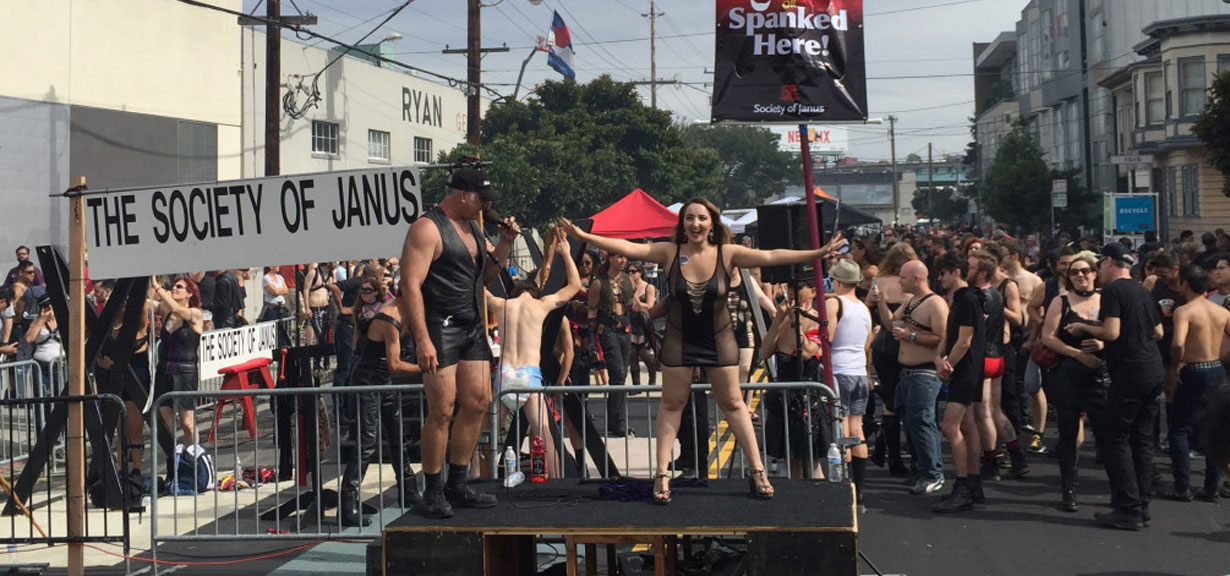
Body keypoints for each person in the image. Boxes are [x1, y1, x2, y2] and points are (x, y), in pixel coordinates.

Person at [560, 197, 845, 504]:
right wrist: (584, 237)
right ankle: (661, 475)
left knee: (734, 403)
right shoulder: (669, 252)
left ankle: (758, 471)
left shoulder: (728, 253)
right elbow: (629, 247)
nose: (695, 224)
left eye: (702, 218)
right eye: (689, 218)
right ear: (682, 223)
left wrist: (817, 253)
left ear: (713, 224)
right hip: (679, 341)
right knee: (671, 404)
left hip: (718, 340)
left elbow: (771, 255)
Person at [400, 166, 518, 519]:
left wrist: (506, 243)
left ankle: (458, 482)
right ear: (463, 195)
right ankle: (433, 489)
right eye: (481, 198)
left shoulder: (473, 227)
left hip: (471, 325)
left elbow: (487, 275)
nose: (485, 204)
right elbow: (410, 285)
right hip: (440, 326)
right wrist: (422, 339)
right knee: (442, 410)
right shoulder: (427, 227)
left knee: (479, 401)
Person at [1065, 244, 1164, 531]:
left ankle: (1128, 508)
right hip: (1152, 368)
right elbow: (1157, 331)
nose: (1097, 271)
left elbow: (1111, 332)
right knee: (1141, 439)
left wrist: (1084, 327)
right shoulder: (1141, 290)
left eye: (1098, 265)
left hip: (1131, 372)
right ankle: (1141, 505)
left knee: (1115, 438)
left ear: (1109, 262)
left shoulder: (1113, 291)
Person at [487, 232, 582, 482]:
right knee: (544, 433)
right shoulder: (541, 305)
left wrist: (488, 255)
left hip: (505, 374)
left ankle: (478, 479)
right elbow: (574, 286)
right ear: (534, 292)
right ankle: (557, 482)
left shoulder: (502, 304)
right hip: (529, 374)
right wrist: (566, 253)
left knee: (487, 436)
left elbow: (478, 287)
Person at [338, 291, 422, 527]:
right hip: (368, 381)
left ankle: (409, 490)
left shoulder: (404, 313)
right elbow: (395, 364)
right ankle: (348, 502)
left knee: (397, 435)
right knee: (368, 441)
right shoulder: (389, 318)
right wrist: (423, 368)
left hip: (383, 382)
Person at [868, 259, 947, 496]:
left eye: (903, 276)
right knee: (913, 425)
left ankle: (934, 474)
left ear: (917, 278)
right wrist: (881, 303)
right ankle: (923, 470)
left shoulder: (936, 304)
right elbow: (892, 324)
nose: (899, 280)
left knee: (923, 423)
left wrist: (911, 336)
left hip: (925, 372)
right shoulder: (912, 301)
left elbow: (941, 338)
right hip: (908, 373)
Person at [1039, 250, 1107, 512]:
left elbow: (1117, 332)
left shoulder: (1106, 299)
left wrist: (1101, 342)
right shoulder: (1061, 301)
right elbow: (1048, 337)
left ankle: (1118, 488)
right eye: (1074, 272)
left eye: (1085, 271)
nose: (1080, 275)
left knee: (1106, 431)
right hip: (1067, 372)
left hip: (1100, 373)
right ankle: (1069, 488)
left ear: (1094, 274)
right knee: (1068, 432)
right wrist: (1078, 354)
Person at [1162, 265, 1229, 502]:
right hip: (1216, 369)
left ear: (1186, 285)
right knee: (1214, 428)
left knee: (1179, 428)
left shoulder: (1185, 311)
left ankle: (1183, 485)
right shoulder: (1221, 312)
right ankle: (1212, 487)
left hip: (1194, 369)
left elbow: (1178, 343)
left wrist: (1176, 365)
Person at [931, 252, 987, 513]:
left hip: (965, 370)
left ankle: (963, 485)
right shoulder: (964, 299)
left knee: (950, 426)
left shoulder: (967, 300)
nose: (939, 278)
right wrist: (942, 356)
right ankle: (973, 483)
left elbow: (964, 339)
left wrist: (947, 365)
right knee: (968, 424)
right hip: (968, 368)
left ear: (956, 272)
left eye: (942, 273)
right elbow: (951, 334)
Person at [761, 279, 825, 479]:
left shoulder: (817, 318)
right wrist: (778, 321)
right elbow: (764, 351)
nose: (792, 293)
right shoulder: (783, 319)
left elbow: (807, 352)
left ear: (813, 292)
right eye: (789, 288)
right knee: (791, 459)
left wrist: (798, 323)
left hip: (807, 396)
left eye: (797, 289)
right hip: (784, 394)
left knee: (812, 458)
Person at [866, 242, 916, 476]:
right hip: (907, 341)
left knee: (889, 402)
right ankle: (915, 458)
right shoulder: (911, 285)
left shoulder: (879, 282)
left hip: (883, 343)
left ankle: (892, 457)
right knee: (910, 400)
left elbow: (866, 308)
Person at [826, 259, 873, 502]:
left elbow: (829, 336)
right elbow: (866, 344)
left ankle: (845, 487)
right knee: (857, 427)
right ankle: (860, 488)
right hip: (858, 372)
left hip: (840, 370)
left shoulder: (834, 303)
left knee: (841, 426)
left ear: (838, 281)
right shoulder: (863, 308)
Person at [151, 277, 204, 449]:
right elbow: (148, 304)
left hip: (185, 373)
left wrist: (157, 287)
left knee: (187, 423)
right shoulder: (167, 312)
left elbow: (177, 309)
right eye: (173, 285)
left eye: (179, 287)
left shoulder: (195, 314)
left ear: (189, 293)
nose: (174, 288)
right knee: (166, 421)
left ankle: (193, 458)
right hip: (164, 370)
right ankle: (174, 458)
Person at [587, 249, 634, 436]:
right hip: (607, 329)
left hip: (625, 329)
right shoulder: (599, 283)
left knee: (622, 374)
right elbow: (591, 311)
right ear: (610, 258)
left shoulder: (627, 280)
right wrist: (591, 338)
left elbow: (633, 301)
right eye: (619, 256)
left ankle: (616, 420)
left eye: (624, 256)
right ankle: (619, 420)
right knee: (618, 371)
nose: (623, 260)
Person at [628, 262, 659, 392]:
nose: (630, 274)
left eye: (633, 271)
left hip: (644, 322)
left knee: (645, 353)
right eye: (628, 271)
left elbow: (650, 306)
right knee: (632, 354)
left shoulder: (648, 287)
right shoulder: (627, 286)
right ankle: (636, 385)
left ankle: (652, 380)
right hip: (631, 321)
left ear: (640, 272)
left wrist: (636, 298)